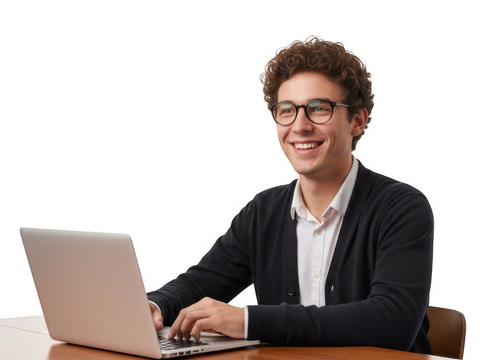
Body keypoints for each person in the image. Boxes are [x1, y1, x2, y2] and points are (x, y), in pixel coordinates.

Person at [147, 37, 433, 354]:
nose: (299, 126)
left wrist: (247, 321)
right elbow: (198, 284)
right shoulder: (263, 212)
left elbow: (392, 322)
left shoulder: (402, 208)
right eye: (286, 110)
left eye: (319, 109)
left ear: (357, 120)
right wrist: (156, 305)